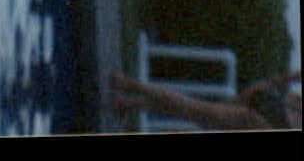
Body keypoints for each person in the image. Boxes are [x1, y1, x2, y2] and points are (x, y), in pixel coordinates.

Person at [110, 68, 301, 133]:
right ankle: (127, 84)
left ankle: (128, 102)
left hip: (275, 97)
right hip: (273, 120)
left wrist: (281, 80)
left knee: (194, 114)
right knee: (193, 109)